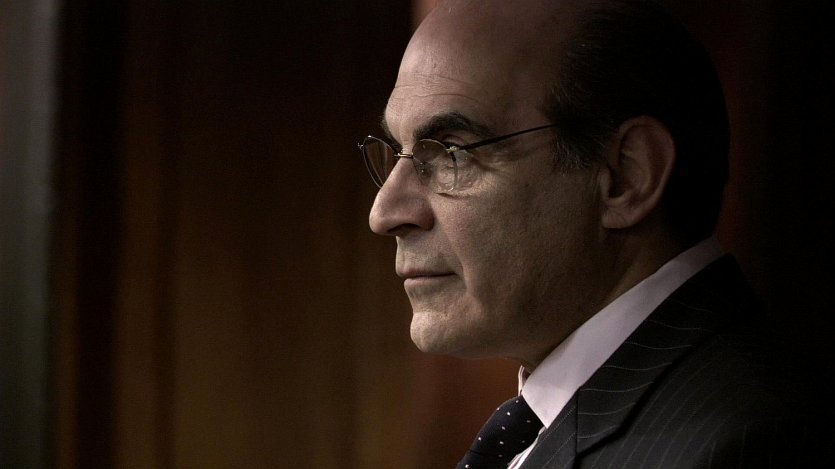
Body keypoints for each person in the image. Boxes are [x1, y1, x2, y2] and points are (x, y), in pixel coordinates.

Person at [359, 0, 831, 467]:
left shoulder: (747, 444)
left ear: (626, 176)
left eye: (452, 152)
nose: (385, 214)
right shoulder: (562, 420)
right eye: (398, 153)